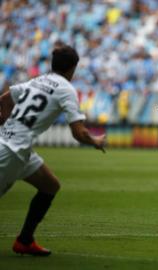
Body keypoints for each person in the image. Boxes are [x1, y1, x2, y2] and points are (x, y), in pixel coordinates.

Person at [0, 45, 106, 255]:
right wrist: (95, 141)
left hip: (17, 146)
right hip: (11, 152)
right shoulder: (66, 89)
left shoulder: (39, 80)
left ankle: (25, 241)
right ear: (73, 68)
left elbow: (4, 98)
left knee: (50, 185)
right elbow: (78, 133)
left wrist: (4, 120)